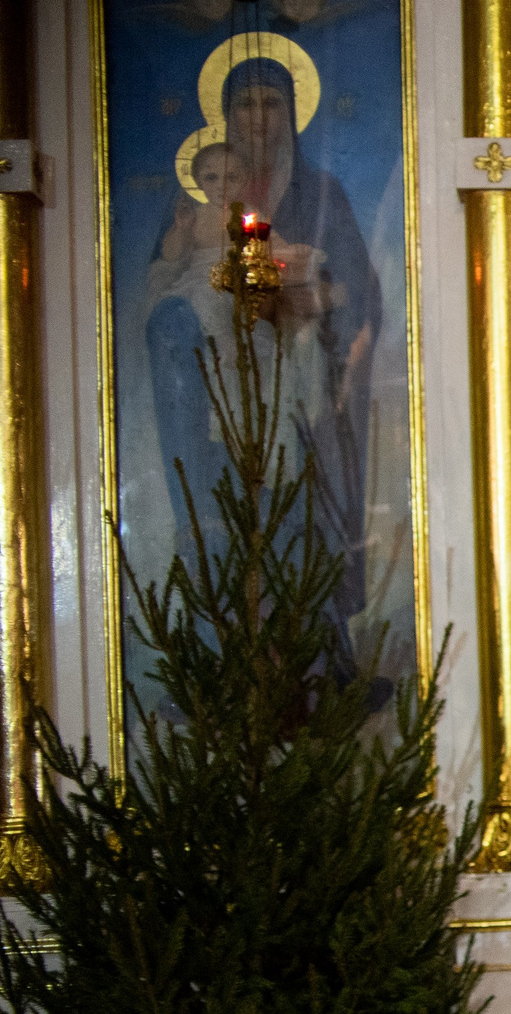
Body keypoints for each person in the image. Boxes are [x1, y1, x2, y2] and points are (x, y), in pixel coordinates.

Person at [148, 53, 379, 619]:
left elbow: (356, 288)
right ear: (225, 115)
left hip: (302, 375)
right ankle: (221, 640)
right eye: (244, 104)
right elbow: (165, 293)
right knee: (225, 512)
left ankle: (324, 655)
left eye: (272, 102)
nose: (258, 117)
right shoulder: (196, 211)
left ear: (293, 112)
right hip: (220, 392)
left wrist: (312, 299)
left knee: (306, 508)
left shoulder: (321, 192)